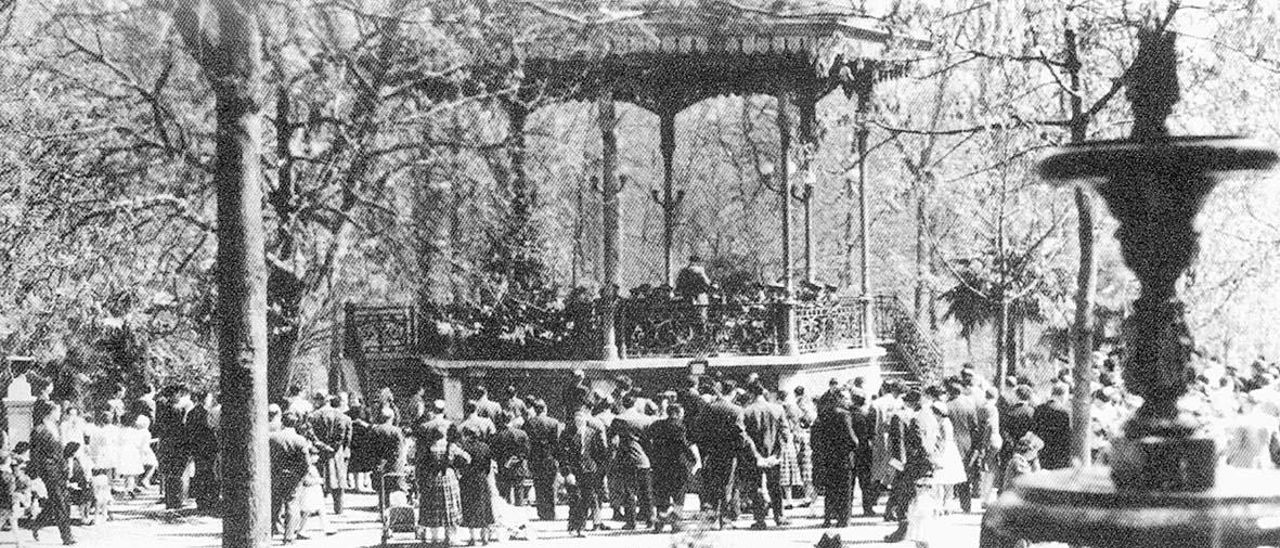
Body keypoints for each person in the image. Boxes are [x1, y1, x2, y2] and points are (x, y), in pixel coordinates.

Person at [693, 380, 754, 530]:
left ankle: (713, 518)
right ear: (733, 392)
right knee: (728, 485)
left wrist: (705, 449)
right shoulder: (735, 410)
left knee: (714, 485)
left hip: (712, 453)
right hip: (730, 452)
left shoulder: (708, 408)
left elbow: (698, 430)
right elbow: (740, 434)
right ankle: (725, 519)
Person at [559, 394, 611, 537]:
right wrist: (567, 472)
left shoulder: (592, 433)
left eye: (581, 418)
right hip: (573, 471)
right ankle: (573, 525)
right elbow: (562, 455)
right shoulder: (566, 434)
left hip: (589, 470)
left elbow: (601, 454)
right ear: (573, 420)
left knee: (586, 498)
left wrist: (600, 470)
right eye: (576, 418)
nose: (579, 421)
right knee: (575, 498)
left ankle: (581, 527)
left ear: (585, 420)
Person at [742, 381, 787, 529]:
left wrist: (756, 456)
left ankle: (760, 519)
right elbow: (785, 434)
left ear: (750, 393)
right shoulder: (777, 409)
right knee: (775, 486)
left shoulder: (747, 411)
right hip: (773, 455)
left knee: (755, 487)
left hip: (754, 456)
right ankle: (779, 516)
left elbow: (745, 437)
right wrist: (777, 454)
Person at [647, 402, 699, 533]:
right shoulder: (679, 427)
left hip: (660, 465)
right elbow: (683, 444)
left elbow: (647, 440)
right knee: (678, 495)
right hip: (677, 465)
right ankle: (676, 524)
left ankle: (659, 524)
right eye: (681, 413)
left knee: (662, 494)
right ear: (676, 413)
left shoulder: (656, 425)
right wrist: (694, 459)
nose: (683, 415)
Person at [29, 399, 75, 545]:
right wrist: (36, 476)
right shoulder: (39, 430)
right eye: (58, 411)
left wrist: (66, 464)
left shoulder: (56, 427)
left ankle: (37, 523)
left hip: (60, 469)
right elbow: (35, 455)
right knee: (60, 502)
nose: (60, 413)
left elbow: (59, 451)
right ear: (50, 413)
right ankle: (67, 537)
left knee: (59, 502)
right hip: (48, 471)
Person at [812, 388, 858, 528]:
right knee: (845, 489)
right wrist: (856, 444)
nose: (847, 400)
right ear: (839, 398)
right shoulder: (844, 415)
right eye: (845, 398)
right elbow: (852, 440)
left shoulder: (822, 415)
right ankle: (843, 519)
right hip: (843, 457)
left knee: (830, 489)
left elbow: (814, 439)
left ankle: (828, 518)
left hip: (827, 457)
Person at [417, 424, 469, 547]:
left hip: (432, 478)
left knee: (433, 509)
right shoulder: (451, 446)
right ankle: (450, 537)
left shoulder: (428, 447)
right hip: (449, 477)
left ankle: (434, 538)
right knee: (450, 508)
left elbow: (419, 462)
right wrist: (458, 468)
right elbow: (467, 458)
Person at [609, 392, 655, 529]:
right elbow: (650, 441)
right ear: (635, 404)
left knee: (629, 491)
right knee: (646, 491)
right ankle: (650, 519)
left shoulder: (618, 419)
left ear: (623, 403)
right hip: (644, 459)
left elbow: (611, 437)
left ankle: (631, 521)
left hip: (626, 458)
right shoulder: (646, 419)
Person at [270, 411, 313, 544]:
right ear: (296, 424)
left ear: (282, 422)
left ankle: (271, 531)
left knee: (275, 503)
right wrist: (302, 475)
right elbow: (306, 462)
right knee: (292, 504)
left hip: (276, 474)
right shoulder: (300, 440)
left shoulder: (272, 437)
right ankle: (288, 536)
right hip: (293, 476)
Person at [309, 394, 353, 515]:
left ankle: (317, 509)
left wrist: (322, 446)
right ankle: (338, 508)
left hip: (319, 452)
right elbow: (347, 438)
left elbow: (310, 434)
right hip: (337, 453)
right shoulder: (343, 417)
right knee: (338, 480)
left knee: (319, 480)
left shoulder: (313, 416)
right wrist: (336, 447)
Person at [154, 385, 195, 510]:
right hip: (178, 443)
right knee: (178, 472)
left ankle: (170, 499)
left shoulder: (161, 407)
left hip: (166, 442)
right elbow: (183, 426)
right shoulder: (178, 409)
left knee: (169, 472)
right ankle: (177, 499)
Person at [944, 381, 979, 513]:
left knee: (948, 473)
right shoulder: (969, 406)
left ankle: (947, 503)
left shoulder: (946, 406)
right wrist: (975, 445)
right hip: (966, 443)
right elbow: (974, 427)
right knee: (964, 475)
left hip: (951, 442)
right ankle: (966, 505)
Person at [523, 399, 562, 521]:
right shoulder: (554, 422)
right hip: (549, 457)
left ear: (534, 409)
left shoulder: (529, 423)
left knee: (538, 485)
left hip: (535, 458)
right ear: (545, 408)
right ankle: (551, 512)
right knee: (551, 485)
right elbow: (557, 443)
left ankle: (541, 512)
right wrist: (558, 458)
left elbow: (526, 442)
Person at [456, 427, 494, 545]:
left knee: (469, 508)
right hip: (482, 479)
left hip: (468, 480)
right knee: (484, 507)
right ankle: (485, 537)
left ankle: (472, 538)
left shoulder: (464, 448)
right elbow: (488, 466)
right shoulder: (485, 447)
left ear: (468, 436)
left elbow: (459, 464)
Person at [997, 385, 1036, 492]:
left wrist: (1011, 444)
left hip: (1010, 448)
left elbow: (1003, 430)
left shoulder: (1009, 411)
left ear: (1017, 395)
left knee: (1006, 475)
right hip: (1028, 449)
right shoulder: (1032, 412)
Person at [367, 407, 406, 507]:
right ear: (392, 418)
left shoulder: (375, 430)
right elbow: (399, 449)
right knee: (395, 486)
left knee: (381, 487)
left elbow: (370, 448)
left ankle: (382, 506)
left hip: (378, 463)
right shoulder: (397, 431)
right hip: (393, 464)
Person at [491, 412, 530, 508]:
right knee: (519, 493)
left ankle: (508, 517)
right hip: (519, 467)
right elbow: (527, 451)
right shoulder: (522, 434)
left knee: (505, 495)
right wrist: (517, 459)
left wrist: (507, 462)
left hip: (504, 467)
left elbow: (494, 453)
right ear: (512, 420)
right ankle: (520, 517)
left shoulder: (498, 435)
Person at [849, 389, 878, 517]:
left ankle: (847, 509)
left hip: (852, 451)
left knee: (850, 482)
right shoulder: (867, 414)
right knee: (865, 483)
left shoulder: (849, 414)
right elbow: (872, 434)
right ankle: (868, 508)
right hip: (865, 451)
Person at [1032, 383, 1073, 470]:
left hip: (1042, 452)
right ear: (1063, 395)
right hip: (1059, 454)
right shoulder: (1065, 412)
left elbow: (1034, 430)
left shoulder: (1038, 409)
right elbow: (1068, 436)